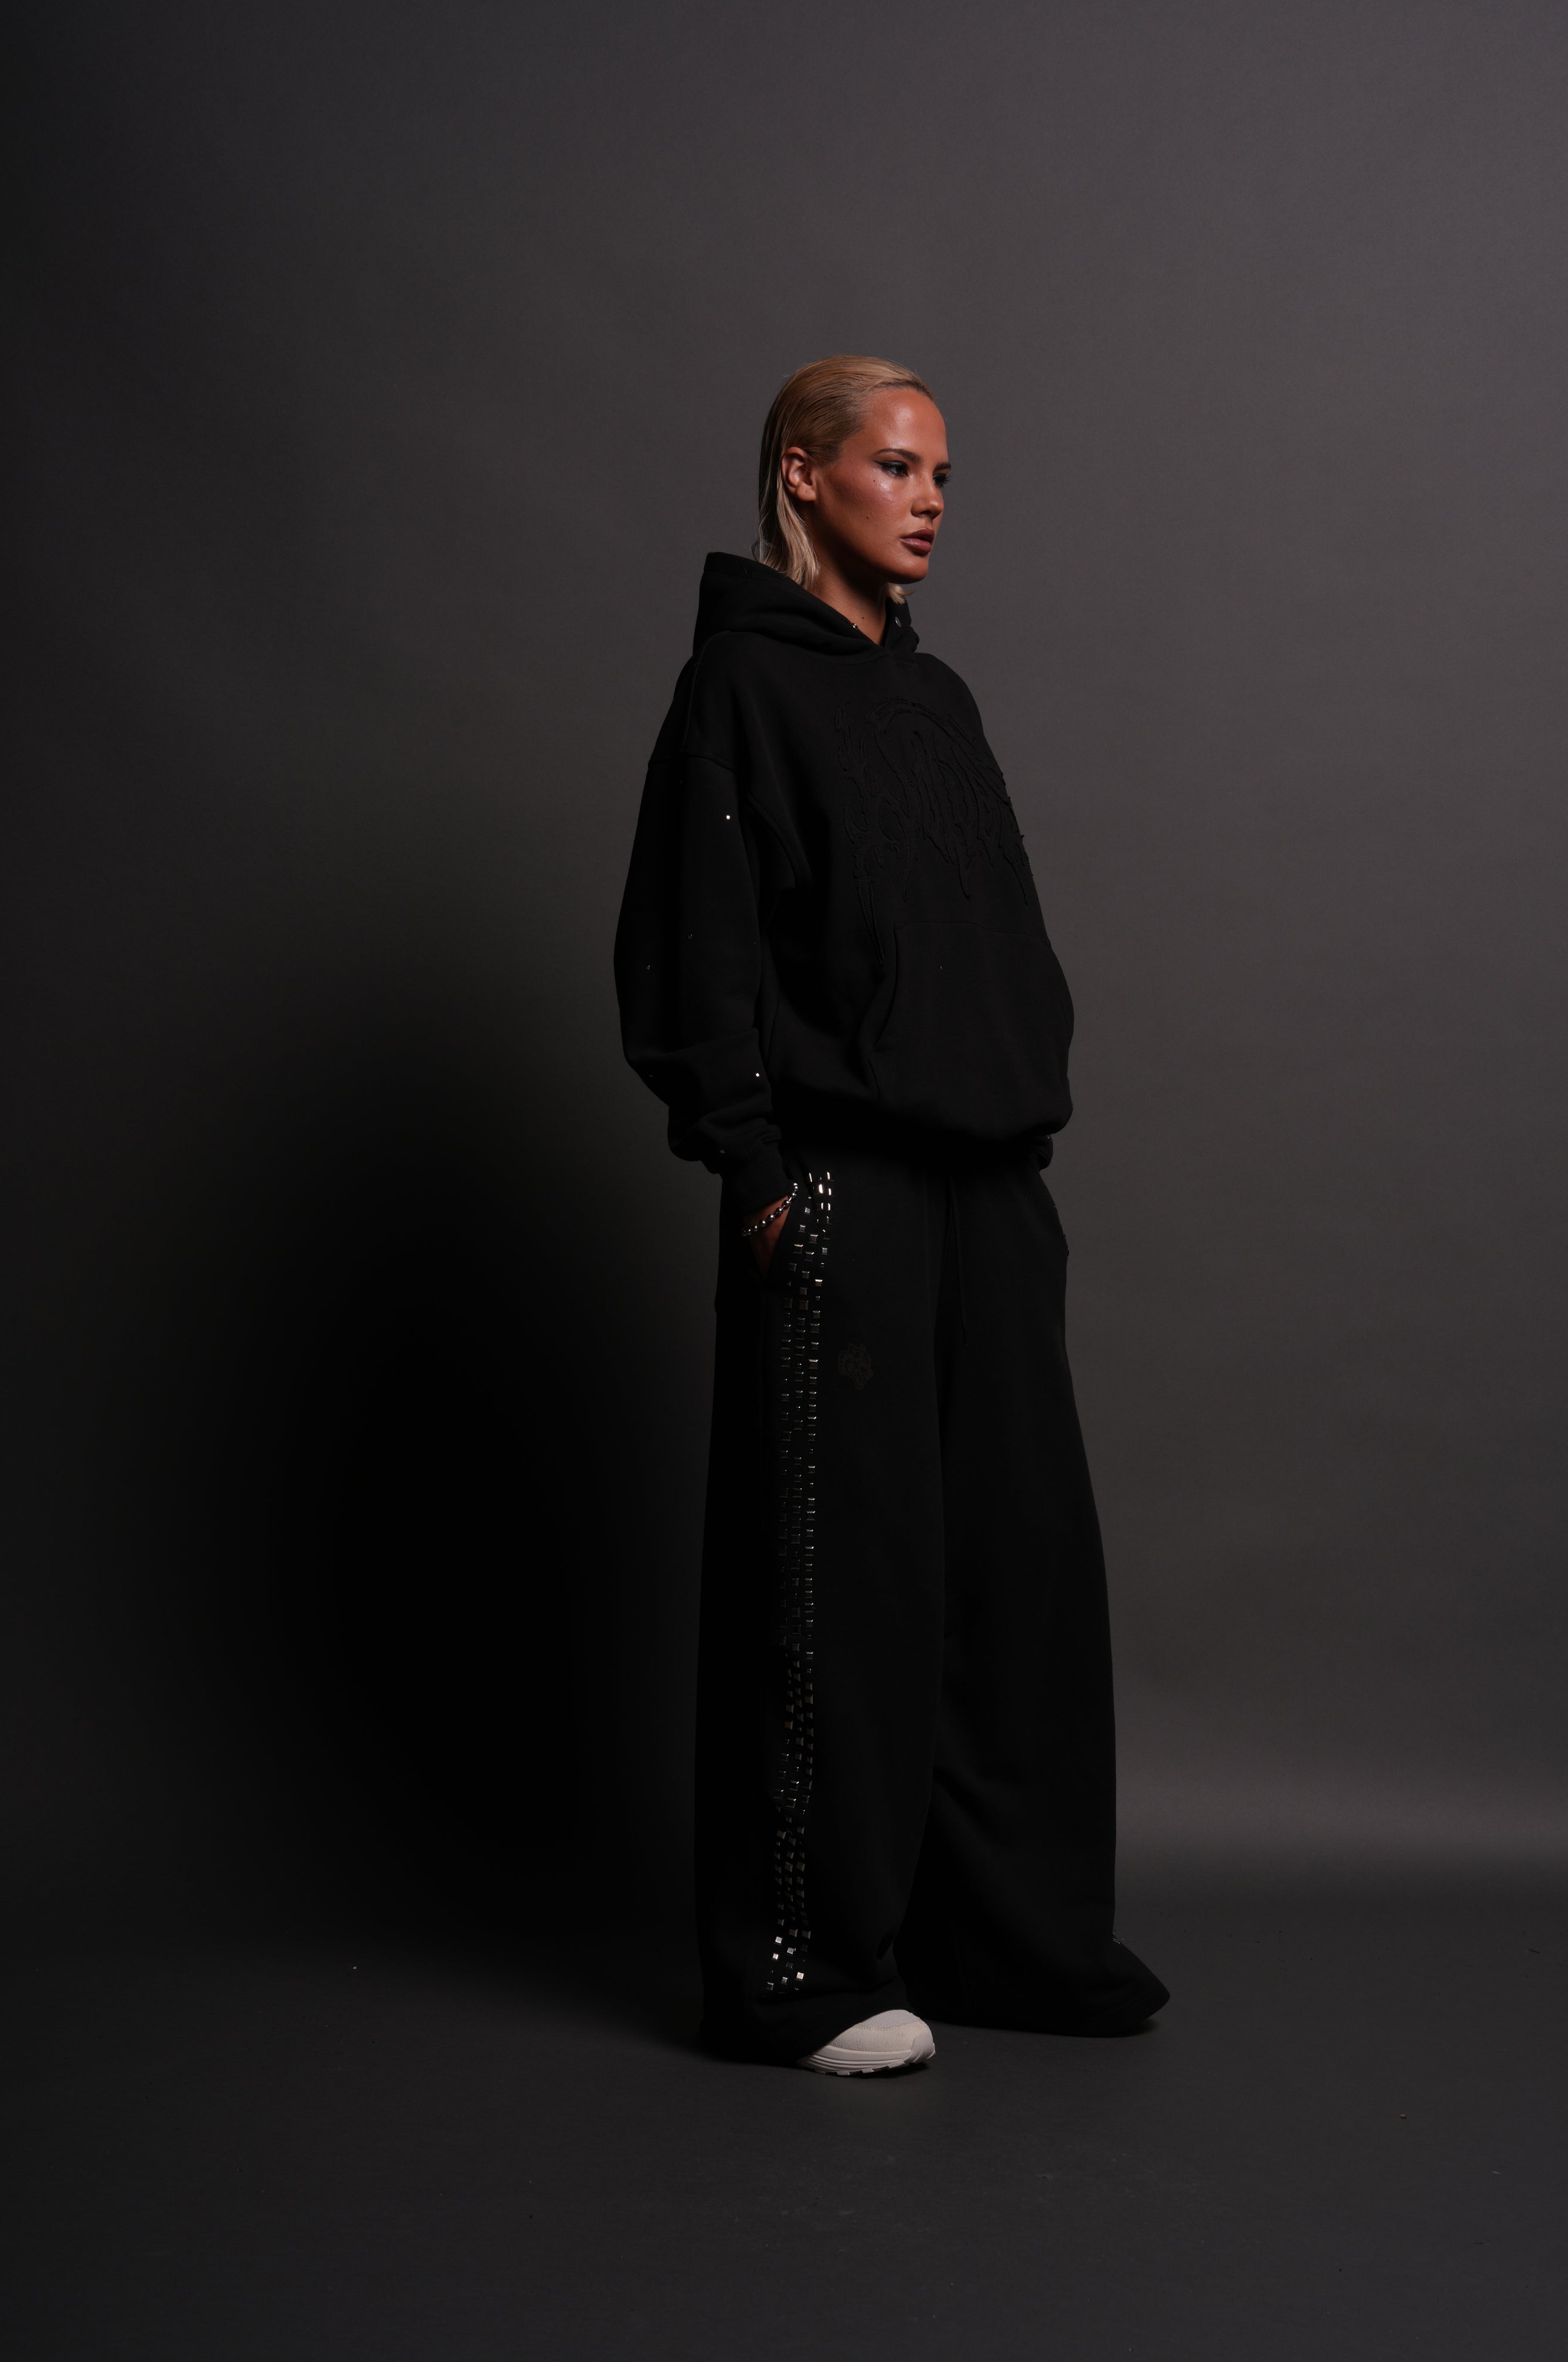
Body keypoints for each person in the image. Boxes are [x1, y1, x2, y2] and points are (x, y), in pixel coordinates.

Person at [615, 355, 1168, 2075]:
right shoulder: (737, 688)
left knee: (1013, 1578)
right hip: (840, 1187)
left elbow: (988, 942)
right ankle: (796, 1971)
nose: (928, 500)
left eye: (940, 475)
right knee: (835, 1584)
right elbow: (690, 949)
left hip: (991, 1190)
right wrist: (756, 1172)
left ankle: (1005, 1939)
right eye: (895, 466)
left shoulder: (937, 698)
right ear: (803, 474)